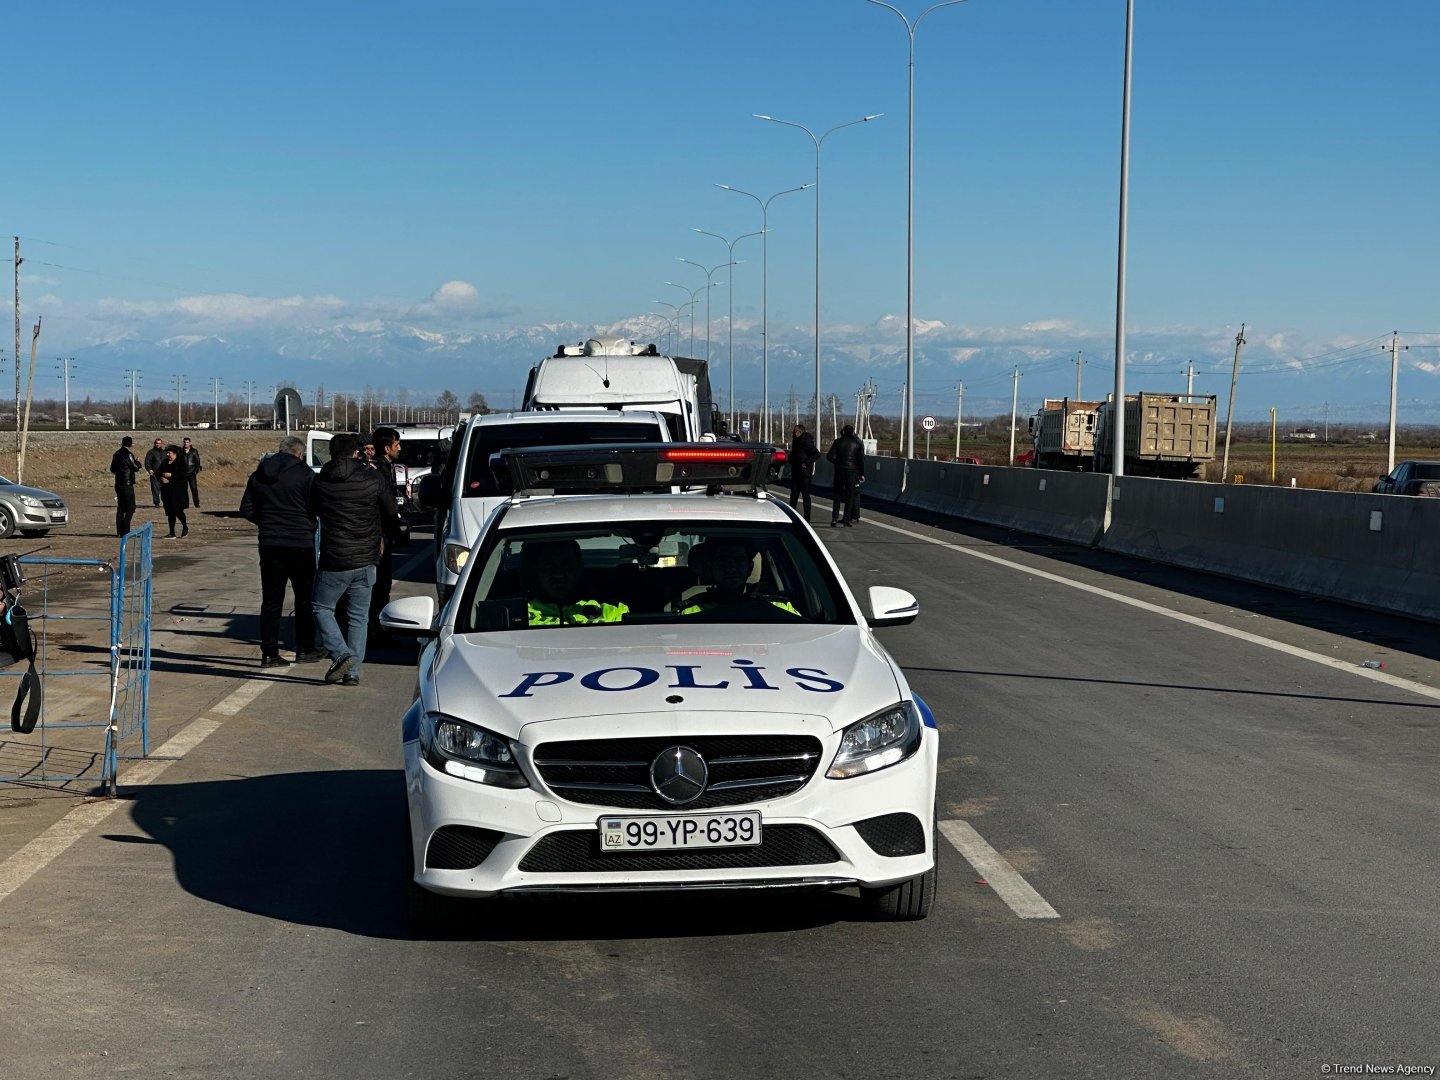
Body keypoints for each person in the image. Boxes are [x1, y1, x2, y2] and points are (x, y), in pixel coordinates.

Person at [308, 433, 399, 686]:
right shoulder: (372, 478)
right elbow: (391, 510)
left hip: (334, 557)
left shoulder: (320, 481)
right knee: (358, 617)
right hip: (367, 556)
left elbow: (311, 512)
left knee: (321, 607)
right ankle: (352, 672)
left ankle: (341, 654)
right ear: (356, 452)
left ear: (331, 454)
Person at [240, 436, 325, 669]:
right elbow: (318, 507)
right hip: (300, 543)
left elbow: (245, 508)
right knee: (304, 598)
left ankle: (269, 653)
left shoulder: (259, 475)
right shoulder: (307, 476)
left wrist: (267, 522)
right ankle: (305, 648)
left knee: (271, 600)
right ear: (299, 454)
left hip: (270, 543)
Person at [679, 538, 799, 617]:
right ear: (710, 567)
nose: (731, 568)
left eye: (739, 561)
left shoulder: (779, 607)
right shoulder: (690, 610)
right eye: (723, 561)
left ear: (750, 567)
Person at [525, 540, 628, 626]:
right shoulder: (521, 613)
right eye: (549, 565)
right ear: (536, 570)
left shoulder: (612, 609)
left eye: (566, 564)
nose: (558, 573)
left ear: (580, 568)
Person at [368, 426, 405, 634]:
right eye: (396, 444)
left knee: (382, 583)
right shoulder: (378, 470)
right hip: (379, 535)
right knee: (380, 584)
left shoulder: (386, 467)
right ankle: (376, 626)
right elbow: (383, 505)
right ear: (386, 447)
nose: (399, 448)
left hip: (384, 533)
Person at [825, 424, 866, 528]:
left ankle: (834, 518)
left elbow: (829, 456)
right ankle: (846, 520)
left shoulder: (837, 442)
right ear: (852, 432)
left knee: (837, 495)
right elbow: (861, 461)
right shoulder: (857, 443)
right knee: (850, 496)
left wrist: (837, 462)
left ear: (843, 431)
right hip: (852, 472)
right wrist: (861, 474)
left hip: (839, 471)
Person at [109, 436, 142, 536]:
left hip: (118, 483)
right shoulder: (128, 454)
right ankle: (126, 530)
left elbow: (112, 469)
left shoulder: (116, 454)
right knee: (131, 508)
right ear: (130, 444)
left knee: (121, 507)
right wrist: (138, 462)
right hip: (127, 484)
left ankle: (119, 531)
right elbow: (135, 467)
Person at [788, 423, 819, 522]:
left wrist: (806, 462)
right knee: (794, 495)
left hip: (804, 473)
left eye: (795, 431)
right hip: (796, 470)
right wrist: (790, 459)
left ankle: (807, 518)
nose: (793, 432)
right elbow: (795, 453)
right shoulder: (796, 440)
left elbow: (816, 454)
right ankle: (792, 516)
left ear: (799, 432)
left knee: (805, 495)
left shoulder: (806, 440)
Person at [156, 445, 190, 538]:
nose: (168, 455)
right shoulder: (165, 462)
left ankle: (185, 527)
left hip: (178, 491)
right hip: (167, 491)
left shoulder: (180, 462)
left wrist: (171, 475)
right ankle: (172, 532)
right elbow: (158, 472)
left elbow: (183, 474)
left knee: (178, 510)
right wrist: (162, 478)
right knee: (170, 512)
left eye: (169, 453)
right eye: (167, 453)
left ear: (175, 453)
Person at [143, 437, 166, 507]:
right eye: (157, 443)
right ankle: (156, 503)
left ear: (161, 444)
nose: (158, 445)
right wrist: (149, 469)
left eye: (159, 443)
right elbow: (147, 462)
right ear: (154, 443)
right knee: (155, 489)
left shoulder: (164, 452)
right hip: (155, 473)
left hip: (164, 473)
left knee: (165, 489)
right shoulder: (151, 452)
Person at [182, 437, 203, 507]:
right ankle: (185, 504)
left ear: (190, 443)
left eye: (187, 442)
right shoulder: (180, 451)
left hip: (192, 473)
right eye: (185, 442)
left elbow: (197, 462)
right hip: (183, 473)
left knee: (194, 489)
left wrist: (195, 471)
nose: (186, 443)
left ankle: (196, 503)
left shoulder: (194, 451)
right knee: (184, 490)